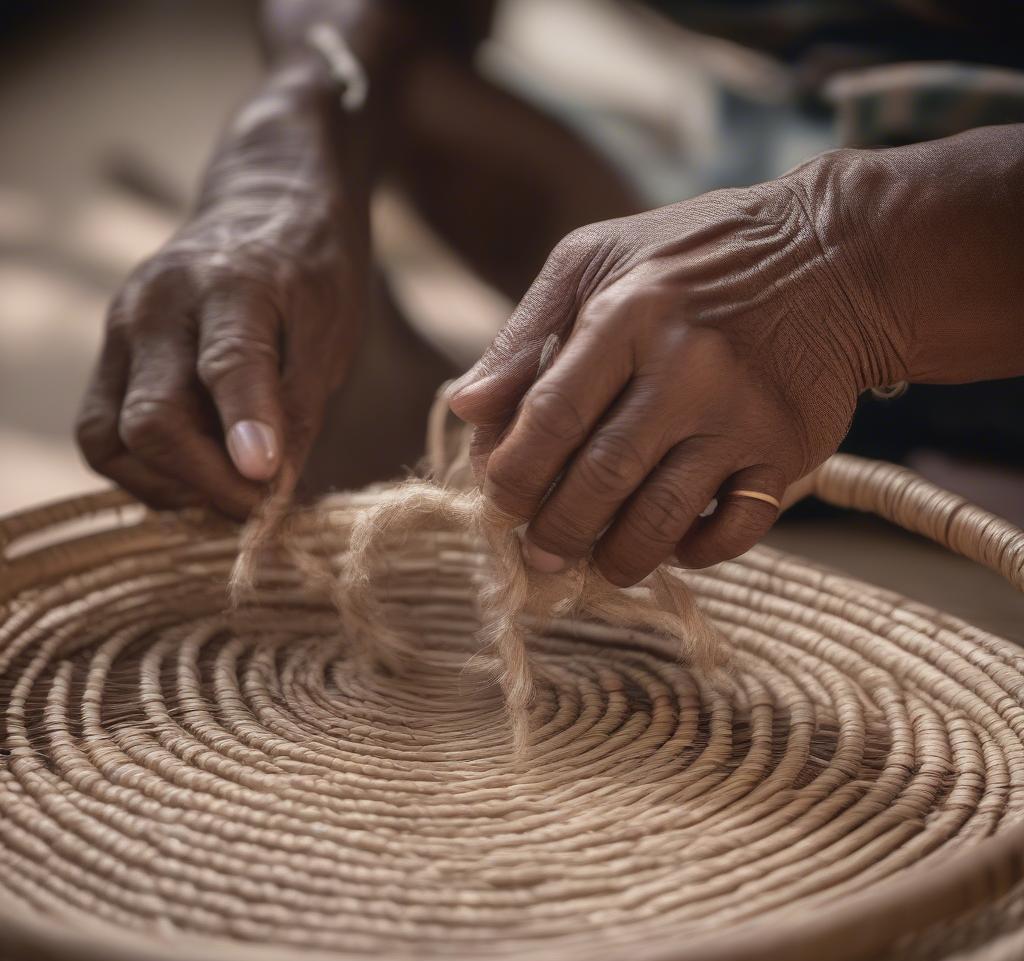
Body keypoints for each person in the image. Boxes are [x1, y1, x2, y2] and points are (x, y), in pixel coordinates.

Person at [76, 1, 1024, 587]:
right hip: (822, 119)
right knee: (401, 91)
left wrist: (843, 255)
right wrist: (287, 132)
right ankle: (570, 412)